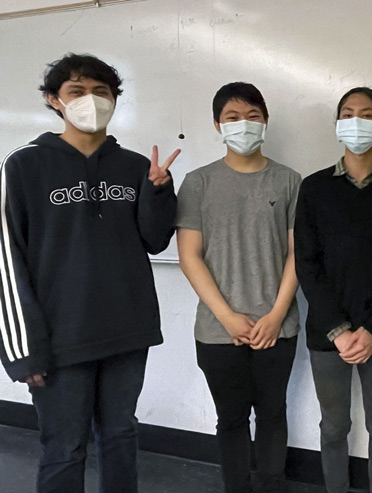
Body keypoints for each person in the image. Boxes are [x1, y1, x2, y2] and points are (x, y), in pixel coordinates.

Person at [0, 53, 179, 492]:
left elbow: (155, 240)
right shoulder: (23, 165)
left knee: (121, 436)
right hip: (59, 338)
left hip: (127, 330)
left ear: (115, 99)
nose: (91, 101)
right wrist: (22, 350)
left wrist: (158, 192)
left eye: (101, 92)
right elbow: (6, 258)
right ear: (54, 100)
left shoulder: (135, 166)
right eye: (76, 91)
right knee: (64, 448)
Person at [176, 82, 301, 493]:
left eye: (252, 116)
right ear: (218, 124)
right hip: (217, 330)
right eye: (232, 117)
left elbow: (298, 254)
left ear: (265, 122)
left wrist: (276, 315)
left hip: (277, 326)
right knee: (230, 419)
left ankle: (272, 485)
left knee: (272, 414)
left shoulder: (289, 181)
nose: (243, 125)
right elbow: (190, 256)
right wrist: (228, 317)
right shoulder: (197, 182)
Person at [294, 87, 372, 493]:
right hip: (328, 333)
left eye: (366, 114)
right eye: (347, 114)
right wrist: (339, 330)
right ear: (337, 123)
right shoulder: (314, 187)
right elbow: (307, 264)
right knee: (334, 426)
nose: (356, 121)